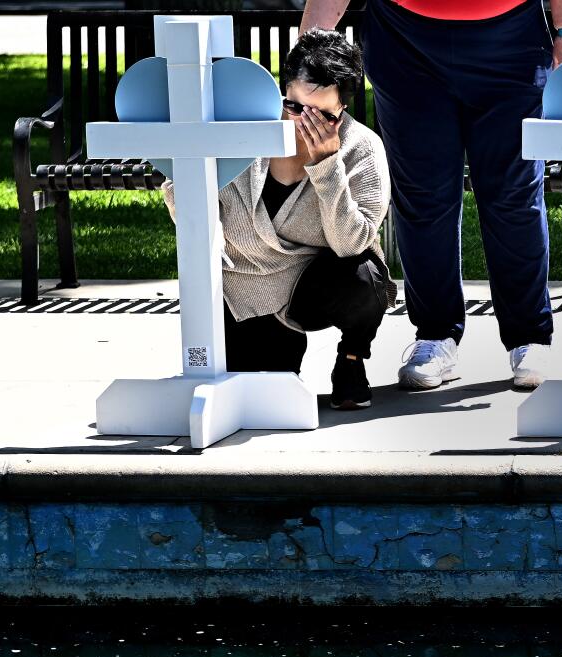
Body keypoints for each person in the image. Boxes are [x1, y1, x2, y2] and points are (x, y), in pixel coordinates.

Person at [301, 0, 562, 390]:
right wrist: (311, 46)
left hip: (511, 40)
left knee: (513, 194)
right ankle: (435, 336)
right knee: (422, 196)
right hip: (405, 41)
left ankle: (530, 337)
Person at [162, 28, 394, 410]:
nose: (305, 123)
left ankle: (351, 359)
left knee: (365, 278)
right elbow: (197, 208)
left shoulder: (362, 148)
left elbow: (351, 244)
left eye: (323, 114)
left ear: (343, 109)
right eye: (295, 107)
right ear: (282, 91)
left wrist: (326, 165)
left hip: (314, 282)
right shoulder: (246, 131)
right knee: (260, 398)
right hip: (244, 284)